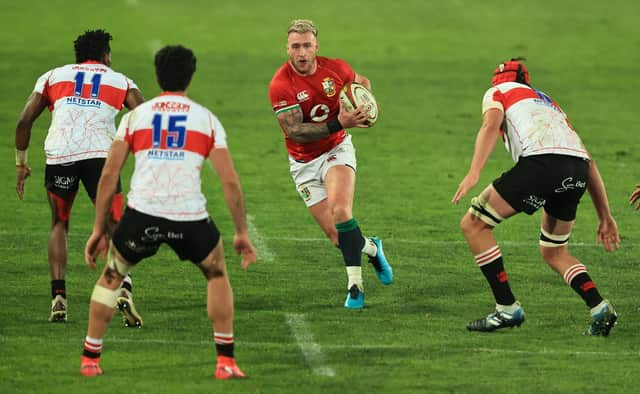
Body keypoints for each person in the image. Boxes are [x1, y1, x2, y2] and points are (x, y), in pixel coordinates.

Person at [80, 45, 256, 379]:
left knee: (112, 276)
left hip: (141, 214)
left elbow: (108, 174)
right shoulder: (206, 119)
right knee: (216, 274)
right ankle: (225, 362)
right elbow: (230, 181)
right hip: (189, 218)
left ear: (158, 75)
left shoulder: (136, 117)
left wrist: (98, 228)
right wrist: (242, 233)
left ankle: (91, 358)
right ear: (191, 75)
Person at [452, 58, 619, 336]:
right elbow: (588, 160)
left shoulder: (498, 91)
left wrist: (473, 172)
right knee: (555, 251)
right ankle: (600, 307)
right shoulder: (550, 104)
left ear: (497, 78)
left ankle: (507, 308)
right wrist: (605, 215)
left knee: (474, 225)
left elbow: (491, 125)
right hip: (576, 168)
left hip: (542, 164)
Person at [14, 29, 145, 325]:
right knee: (115, 225)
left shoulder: (52, 76)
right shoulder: (120, 80)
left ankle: (58, 297)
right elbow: (146, 114)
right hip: (101, 158)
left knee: (59, 222)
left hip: (60, 155)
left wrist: (21, 163)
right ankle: (123, 287)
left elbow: (24, 121)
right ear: (105, 56)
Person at [268, 19, 393, 310]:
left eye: (307, 45)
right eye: (296, 46)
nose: (301, 52)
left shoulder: (335, 68)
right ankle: (373, 249)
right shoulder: (281, 85)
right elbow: (294, 131)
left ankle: (355, 287)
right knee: (339, 238)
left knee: (341, 210)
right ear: (287, 47)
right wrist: (341, 119)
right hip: (303, 163)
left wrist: (363, 110)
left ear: (316, 47)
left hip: (336, 149)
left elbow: (363, 84)